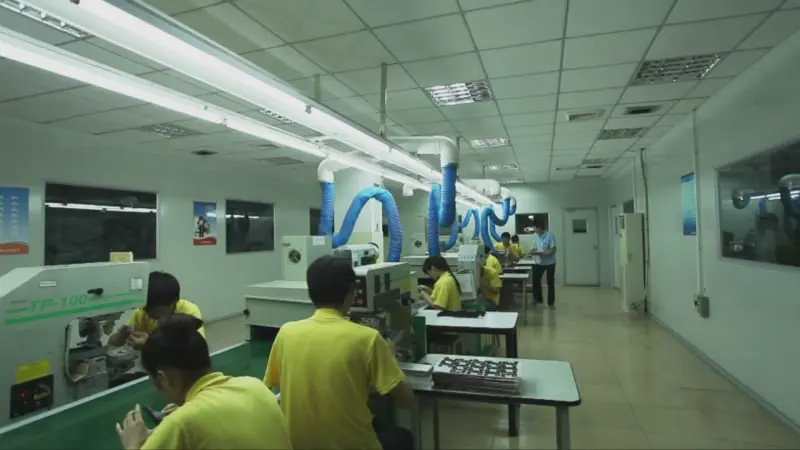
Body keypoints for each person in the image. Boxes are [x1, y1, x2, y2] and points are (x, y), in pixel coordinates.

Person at [264, 255, 414, 450]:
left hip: (298, 445)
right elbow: (405, 400)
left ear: (310, 292)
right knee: (403, 437)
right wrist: (391, 359)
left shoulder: (286, 333)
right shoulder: (368, 339)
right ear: (351, 291)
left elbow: (277, 384)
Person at [115, 314, 292, 450]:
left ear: (163, 378)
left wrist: (133, 444)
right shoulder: (255, 385)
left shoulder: (182, 423)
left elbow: (190, 423)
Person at [109, 271, 204, 350]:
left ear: (172, 303)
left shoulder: (188, 313)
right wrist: (120, 336)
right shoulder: (142, 312)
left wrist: (150, 344)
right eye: (146, 308)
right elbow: (112, 343)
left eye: (154, 309)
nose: (148, 313)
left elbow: (196, 350)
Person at [531, 220, 557, 308]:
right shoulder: (535, 235)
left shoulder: (550, 235)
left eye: (535, 227)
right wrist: (533, 250)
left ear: (540, 227)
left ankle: (551, 303)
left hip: (550, 262)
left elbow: (553, 249)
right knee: (536, 280)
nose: (534, 229)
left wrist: (545, 253)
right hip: (539, 262)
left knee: (550, 282)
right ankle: (537, 299)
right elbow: (535, 247)